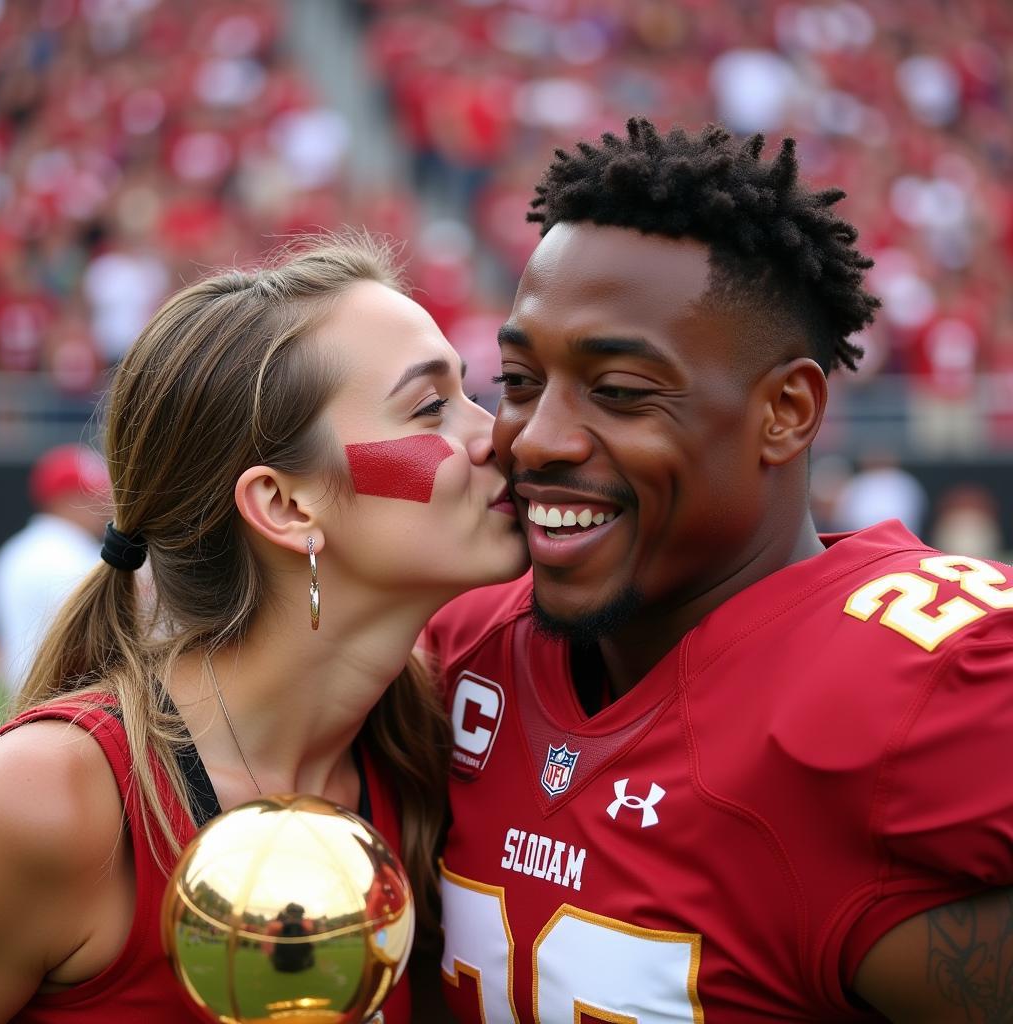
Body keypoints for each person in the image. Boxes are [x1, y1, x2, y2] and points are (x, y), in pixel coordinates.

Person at [424, 120, 1013, 1022]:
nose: (536, 438)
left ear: (784, 412)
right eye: (519, 379)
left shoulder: (919, 688)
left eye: (619, 392)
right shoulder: (464, 649)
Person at [0, 233, 527, 1022]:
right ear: (285, 506)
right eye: (431, 407)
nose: (498, 435)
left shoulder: (436, 750)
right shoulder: (45, 800)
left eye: (474, 393)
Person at [0, 444, 111, 695]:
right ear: (64, 499)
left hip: (31, 700)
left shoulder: (17, 550)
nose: (104, 506)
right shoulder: (70, 553)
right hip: (72, 699)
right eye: (91, 496)